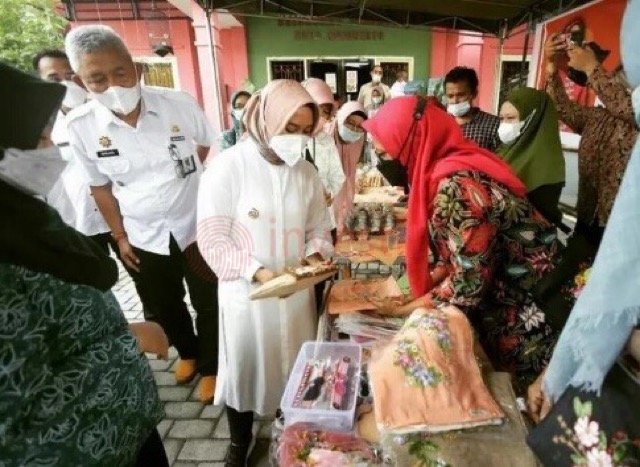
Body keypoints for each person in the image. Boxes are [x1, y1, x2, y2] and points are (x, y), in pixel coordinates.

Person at [0, 61, 168, 467]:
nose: (51, 151)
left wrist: (122, 332)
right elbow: (13, 409)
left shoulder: (23, 218)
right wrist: (128, 341)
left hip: (126, 429)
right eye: (39, 138)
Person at [64, 25, 219, 404]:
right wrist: (119, 236)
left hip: (195, 227)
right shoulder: (81, 126)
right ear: (81, 81)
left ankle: (213, 366)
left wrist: (186, 176)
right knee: (164, 303)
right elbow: (100, 187)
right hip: (142, 233)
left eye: (121, 73)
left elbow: (204, 145)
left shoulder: (178, 104)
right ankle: (188, 352)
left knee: (208, 299)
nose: (113, 85)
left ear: (136, 67)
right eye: (97, 79)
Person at [362, 96, 560, 389]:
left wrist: (402, 311)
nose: (383, 164)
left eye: (386, 155)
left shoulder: (458, 188)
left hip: (531, 318)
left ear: (413, 143)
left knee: (531, 400)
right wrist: (406, 294)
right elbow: (454, 257)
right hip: (508, 301)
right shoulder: (445, 171)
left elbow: (467, 284)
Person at [197, 79, 333, 466]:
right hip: (247, 295)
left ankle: (288, 434)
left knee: (294, 366)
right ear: (265, 118)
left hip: (295, 292)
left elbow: (319, 229)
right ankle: (240, 441)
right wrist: (258, 273)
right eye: (290, 127)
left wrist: (311, 259)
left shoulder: (305, 172)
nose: (297, 138)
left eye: (305, 130)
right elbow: (212, 237)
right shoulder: (227, 167)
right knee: (245, 366)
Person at [526, 5, 640, 464]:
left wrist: (595, 70)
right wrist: (554, 71)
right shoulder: (605, 116)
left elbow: (628, 106)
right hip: (593, 225)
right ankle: (560, 371)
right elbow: (571, 111)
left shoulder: (628, 110)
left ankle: (575, 384)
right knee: (559, 296)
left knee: (587, 310)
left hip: (618, 241)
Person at [33, 49, 111, 252]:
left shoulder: (106, 114)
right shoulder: (39, 128)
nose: (65, 83)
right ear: (40, 81)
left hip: (119, 216)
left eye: (69, 76)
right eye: (54, 78)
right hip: (77, 223)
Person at [497, 87, 566, 227]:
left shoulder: (546, 164)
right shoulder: (506, 149)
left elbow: (542, 215)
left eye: (511, 118)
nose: (504, 124)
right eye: (502, 119)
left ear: (533, 118)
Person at [301, 78, 346, 241]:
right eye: (318, 109)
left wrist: (329, 194)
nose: (322, 116)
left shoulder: (326, 141)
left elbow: (338, 176)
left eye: (326, 113)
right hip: (295, 224)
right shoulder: (289, 139)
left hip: (324, 220)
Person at [330, 101, 368, 233]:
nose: (354, 129)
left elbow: (349, 174)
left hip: (342, 197)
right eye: (350, 123)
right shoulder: (325, 138)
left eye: (360, 126)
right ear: (341, 119)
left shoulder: (358, 140)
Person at [444, 66, 500, 151]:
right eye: (450, 96)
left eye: (461, 95)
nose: (455, 101)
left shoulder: (494, 125)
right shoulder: (442, 125)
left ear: (474, 94)